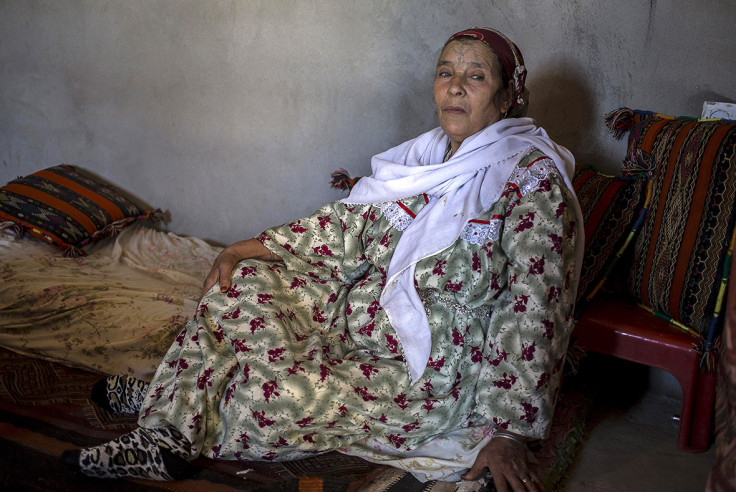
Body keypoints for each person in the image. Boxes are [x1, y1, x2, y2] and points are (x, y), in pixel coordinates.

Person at [62, 27, 583, 492]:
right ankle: (167, 436)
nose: (454, 87)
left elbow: (535, 309)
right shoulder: (421, 159)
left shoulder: (530, 182)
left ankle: (169, 395)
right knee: (242, 284)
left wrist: (510, 429)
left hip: (428, 369)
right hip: (352, 316)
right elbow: (345, 227)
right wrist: (242, 248)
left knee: (269, 401)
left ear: (508, 94)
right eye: (445, 73)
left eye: (476, 76)